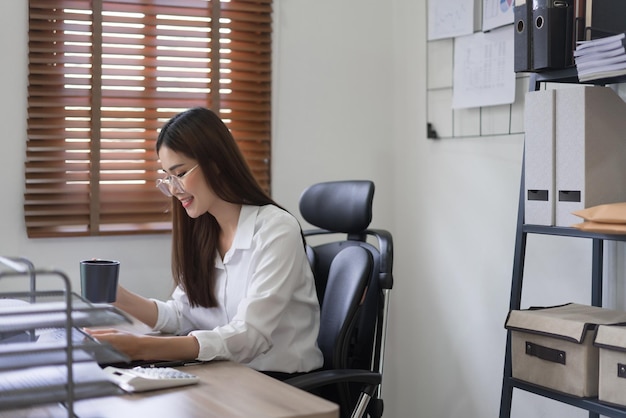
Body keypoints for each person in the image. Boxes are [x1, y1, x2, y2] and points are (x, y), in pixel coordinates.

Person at [88, 107, 323, 375]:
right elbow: (182, 315)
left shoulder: (276, 230)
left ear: (216, 164)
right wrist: (117, 297)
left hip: (281, 386)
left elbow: (250, 336)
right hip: (229, 377)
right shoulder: (205, 231)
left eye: (181, 173)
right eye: (168, 177)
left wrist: (142, 348)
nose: (174, 189)